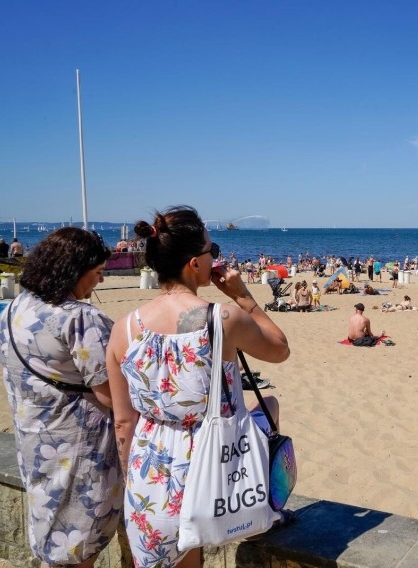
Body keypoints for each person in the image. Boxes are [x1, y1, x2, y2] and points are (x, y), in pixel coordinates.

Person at [106, 206, 290, 568]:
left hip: (152, 477)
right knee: (270, 404)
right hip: (214, 475)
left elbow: (123, 422)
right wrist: (243, 296)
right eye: (213, 251)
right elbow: (279, 349)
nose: (215, 258)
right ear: (194, 263)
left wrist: (133, 479)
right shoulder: (223, 317)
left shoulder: (123, 329)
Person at [0, 228, 121, 567]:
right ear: (73, 272)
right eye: (96, 274)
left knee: (55, 543)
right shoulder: (80, 319)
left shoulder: (14, 309)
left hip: (37, 445)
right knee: (78, 548)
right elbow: (111, 395)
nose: (100, 282)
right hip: (81, 454)